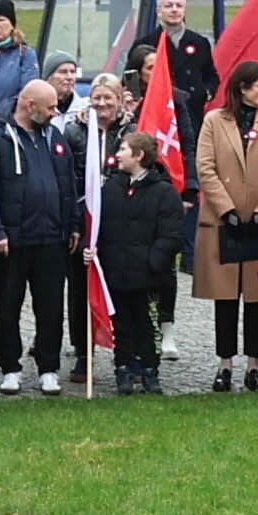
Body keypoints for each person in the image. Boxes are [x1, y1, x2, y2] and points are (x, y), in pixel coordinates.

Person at [0, 80, 89, 395]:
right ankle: (10, 367)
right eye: (51, 107)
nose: (56, 113)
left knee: (51, 306)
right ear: (30, 105)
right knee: (8, 305)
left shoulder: (55, 137)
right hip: (12, 241)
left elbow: (68, 184)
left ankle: (48, 367)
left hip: (52, 239)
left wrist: (73, 224)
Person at [189, 77, 258, 393]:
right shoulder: (214, 120)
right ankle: (224, 364)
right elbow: (205, 167)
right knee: (226, 297)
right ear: (241, 88)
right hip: (224, 220)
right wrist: (226, 209)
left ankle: (254, 365)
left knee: (257, 296)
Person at [93, 127, 186, 396]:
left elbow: (171, 234)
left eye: (122, 149)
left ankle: (149, 369)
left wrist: (152, 261)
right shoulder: (110, 189)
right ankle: (123, 367)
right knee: (121, 324)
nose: (117, 154)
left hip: (149, 275)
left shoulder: (164, 193)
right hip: (117, 272)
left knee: (147, 324)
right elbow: (100, 226)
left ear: (138, 155)